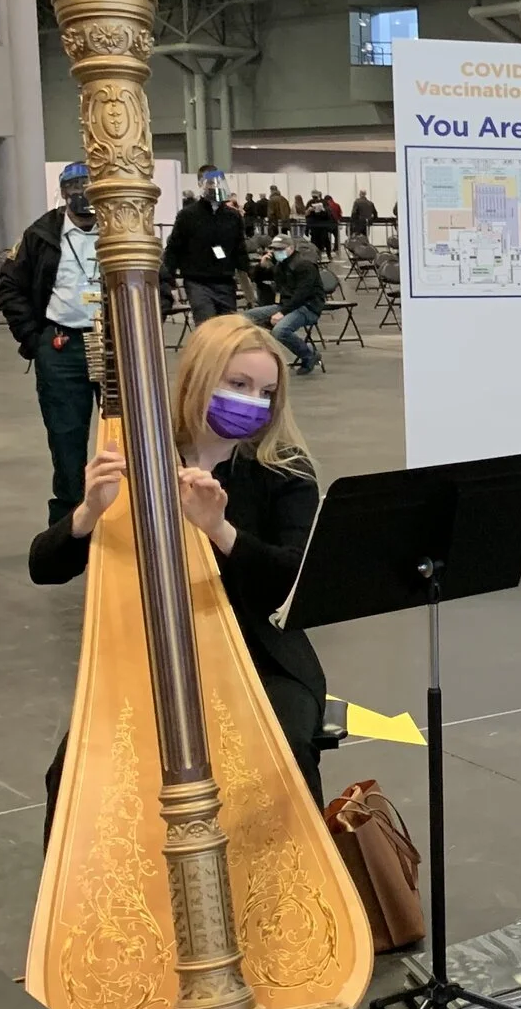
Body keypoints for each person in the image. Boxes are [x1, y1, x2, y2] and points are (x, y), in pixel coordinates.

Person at [31, 316, 333, 804]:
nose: (254, 401)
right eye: (238, 384)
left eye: (266, 392)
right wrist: (88, 511)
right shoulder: (141, 456)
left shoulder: (285, 470)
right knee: (72, 772)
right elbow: (43, 568)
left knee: (284, 749)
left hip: (261, 658)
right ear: (198, 379)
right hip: (152, 659)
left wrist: (219, 528)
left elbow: (286, 582)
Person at [0, 161, 101, 525]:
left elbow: (158, 277)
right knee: (66, 437)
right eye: (74, 186)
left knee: (125, 435)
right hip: (61, 344)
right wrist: (33, 338)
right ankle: (70, 522)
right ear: (63, 191)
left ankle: (127, 514)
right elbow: (9, 287)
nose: (82, 193)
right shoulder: (40, 234)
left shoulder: (123, 230)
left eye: (89, 185)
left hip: (115, 346)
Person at [162, 165, 250, 323]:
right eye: (210, 182)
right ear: (200, 184)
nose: (215, 186)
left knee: (229, 328)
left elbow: (240, 249)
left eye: (218, 181)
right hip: (197, 281)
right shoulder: (187, 215)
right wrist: (170, 283)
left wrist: (248, 277)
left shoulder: (233, 217)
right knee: (207, 324)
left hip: (225, 281)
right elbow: (173, 249)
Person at [245, 233, 327, 374]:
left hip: (307, 306)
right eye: (274, 249)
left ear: (291, 248)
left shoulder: (304, 265)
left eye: (280, 249)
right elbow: (256, 278)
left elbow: (302, 295)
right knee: (246, 318)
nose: (277, 252)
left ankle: (309, 354)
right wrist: (261, 266)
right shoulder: (280, 266)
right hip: (286, 305)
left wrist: (281, 313)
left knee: (280, 331)